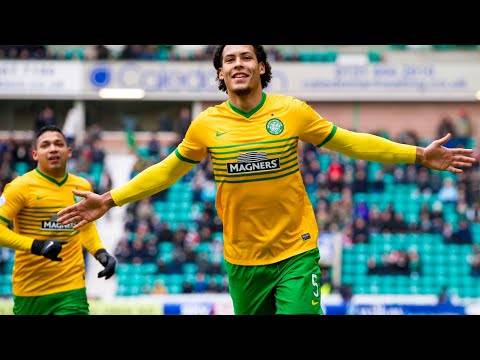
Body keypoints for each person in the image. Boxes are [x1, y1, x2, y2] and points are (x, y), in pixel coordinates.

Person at [57, 45, 476, 315]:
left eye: (245, 57)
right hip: (242, 261)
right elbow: (166, 170)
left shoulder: (292, 111)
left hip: (297, 251)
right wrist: (110, 200)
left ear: (261, 65)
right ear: (220, 75)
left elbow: (349, 142)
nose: (237, 64)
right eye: (229, 60)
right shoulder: (206, 125)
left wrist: (418, 154)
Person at [0, 126, 116, 315]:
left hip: (71, 289)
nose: (53, 148)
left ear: (69, 152)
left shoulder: (81, 186)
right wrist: (36, 245)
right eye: (46, 145)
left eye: (59, 144)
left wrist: (100, 253)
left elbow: (85, 226)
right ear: (35, 154)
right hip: (30, 290)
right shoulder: (19, 187)